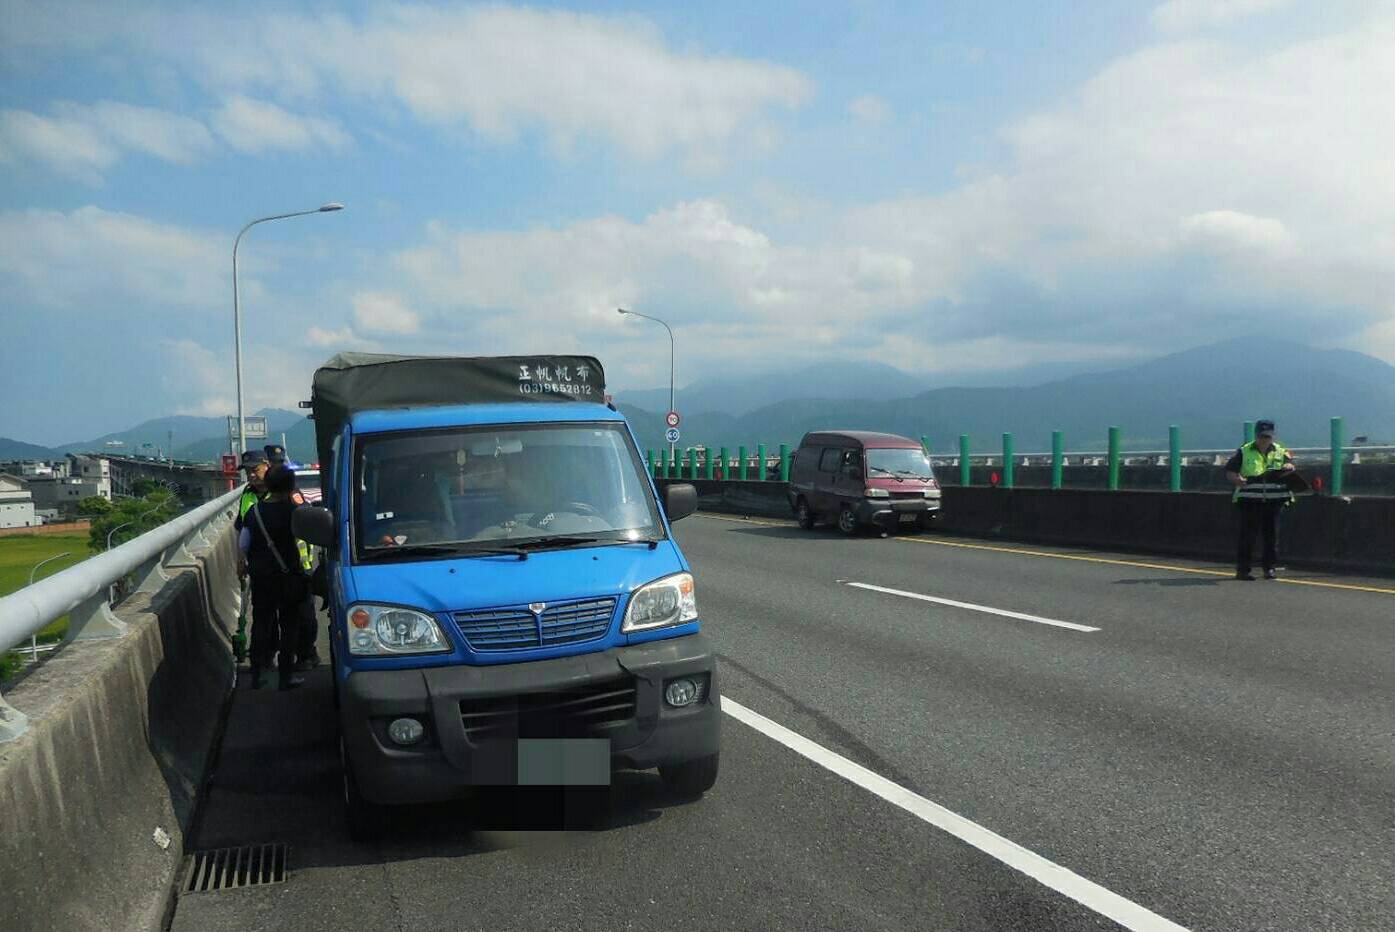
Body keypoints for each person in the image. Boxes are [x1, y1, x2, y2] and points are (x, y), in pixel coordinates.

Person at [238, 465, 309, 690]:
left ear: (267, 484)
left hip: (261, 578)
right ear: (290, 486)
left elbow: (243, 544)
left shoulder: (254, 512)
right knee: (289, 625)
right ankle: (285, 677)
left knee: (261, 623)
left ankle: (257, 674)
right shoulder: (295, 511)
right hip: (289, 576)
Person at [1225, 419, 1295, 580]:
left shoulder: (1281, 451)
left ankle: (1269, 569)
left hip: (1274, 501)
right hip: (1250, 501)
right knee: (1247, 537)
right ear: (1256, 436)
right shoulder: (1244, 451)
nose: (1265, 440)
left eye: (1268, 437)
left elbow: (1290, 468)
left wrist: (1290, 468)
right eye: (1262, 436)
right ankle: (1243, 570)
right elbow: (1230, 471)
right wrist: (1237, 480)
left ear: (1273, 436)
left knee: (1271, 537)